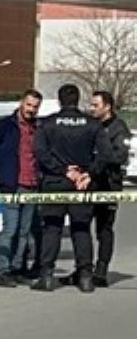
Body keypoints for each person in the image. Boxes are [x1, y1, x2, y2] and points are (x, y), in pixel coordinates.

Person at [31, 84, 116, 293]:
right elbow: (106, 154)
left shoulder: (47, 124)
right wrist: (89, 174)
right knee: (81, 228)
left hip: (54, 182)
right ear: (78, 100)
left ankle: (47, 275)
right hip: (82, 184)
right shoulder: (93, 124)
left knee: (52, 228)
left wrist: (62, 170)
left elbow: (40, 152)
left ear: (60, 101)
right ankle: (86, 276)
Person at [0, 89, 44, 287]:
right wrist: (0, 164)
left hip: (31, 184)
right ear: (21, 103)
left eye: (35, 106)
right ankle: (2, 271)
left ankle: (18, 268)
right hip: (11, 184)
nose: (31, 110)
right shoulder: (6, 126)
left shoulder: (38, 128)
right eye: (28, 105)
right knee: (10, 229)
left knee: (25, 232)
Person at [89, 90, 130, 287]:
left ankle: (101, 269)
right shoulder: (91, 124)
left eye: (95, 105)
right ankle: (83, 268)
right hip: (89, 184)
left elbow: (119, 156)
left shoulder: (119, 129)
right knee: (82, 226)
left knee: (104, 229)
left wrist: (100, 158)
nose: (92, 109)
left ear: (107, 107)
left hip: (109, 184)